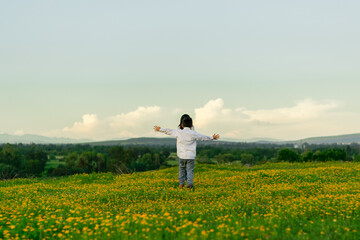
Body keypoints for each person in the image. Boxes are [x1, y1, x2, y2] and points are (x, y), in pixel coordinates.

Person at [154, 115, 219, 189]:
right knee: (190, 171)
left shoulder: (178, 132)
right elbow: (202, 137)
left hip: (181, 156)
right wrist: (212, 137)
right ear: (191, 125)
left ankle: (181, 184)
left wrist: (160, 129)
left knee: (181, 169)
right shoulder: (193, 133)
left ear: (182, 124)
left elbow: (168, 131)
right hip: (191, 156)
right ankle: (189, 184)